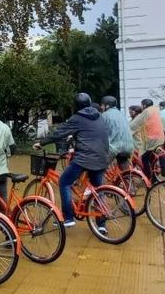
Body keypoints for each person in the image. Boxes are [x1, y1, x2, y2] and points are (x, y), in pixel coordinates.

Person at [33, 93, 110, 229]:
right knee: (98, 189)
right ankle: (101, 224)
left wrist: (42, 142)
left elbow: (59, 132)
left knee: (64, 182)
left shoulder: (78, 118)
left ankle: (68, 217)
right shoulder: (99, 116)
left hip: (85, 158)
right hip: (102, 157)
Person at [100, 96, 134, 172]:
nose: (101, 107)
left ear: (107, 105)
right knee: (124, 168)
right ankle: (127, 181)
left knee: (98, 167)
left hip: (115, 147)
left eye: (102, 105)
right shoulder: (122, 114)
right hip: (129, 146)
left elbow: (101, 132)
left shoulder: (105, 115)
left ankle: (101, 184)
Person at [131, 99, 165, 174]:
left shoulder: (146, 111)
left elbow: (135, 124)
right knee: (152, 157)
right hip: (160, 137)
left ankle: (148, 176)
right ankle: (154, 174)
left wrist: (127, 130)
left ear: (144, 105)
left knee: (144, 158)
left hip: (151, 139)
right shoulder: (156, 110)